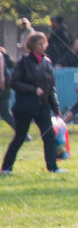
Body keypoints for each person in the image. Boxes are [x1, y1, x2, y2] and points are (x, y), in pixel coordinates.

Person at [1, 32, 63, 174]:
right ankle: (6, 167)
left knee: (49, 136)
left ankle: (52, 167)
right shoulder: (24, 61)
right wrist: (33, 90)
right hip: (27, 106)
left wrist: (56, 107)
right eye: (39, 44)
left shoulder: (47, 62)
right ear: (32, 45)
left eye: (44, 43)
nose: (43, 46)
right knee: (20, 137)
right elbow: (14, 82)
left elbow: (51, 87)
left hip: (44, 105)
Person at [0, 45, 15, 132]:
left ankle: (22, 133)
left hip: (3, 87)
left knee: (5, 113)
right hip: (5, 86)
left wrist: (2, 84)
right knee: (6, 113)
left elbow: (1, 76)